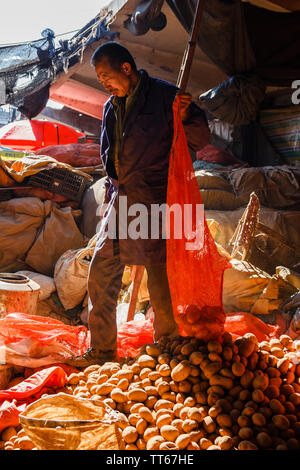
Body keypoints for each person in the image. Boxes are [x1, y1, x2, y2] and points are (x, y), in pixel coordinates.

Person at [67, 42, 210, 367]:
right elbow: (108, 152)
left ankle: (170, 349)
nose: (103, 82)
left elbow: (200, 140)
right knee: (101, 272)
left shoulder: (166, 98)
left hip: (152, 201)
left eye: (106, 75)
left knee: (159, 280)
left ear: (126, 69)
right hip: (120, 201)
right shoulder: (110, 106)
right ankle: (102, 351)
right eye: (100, 78)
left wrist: (187, 116)